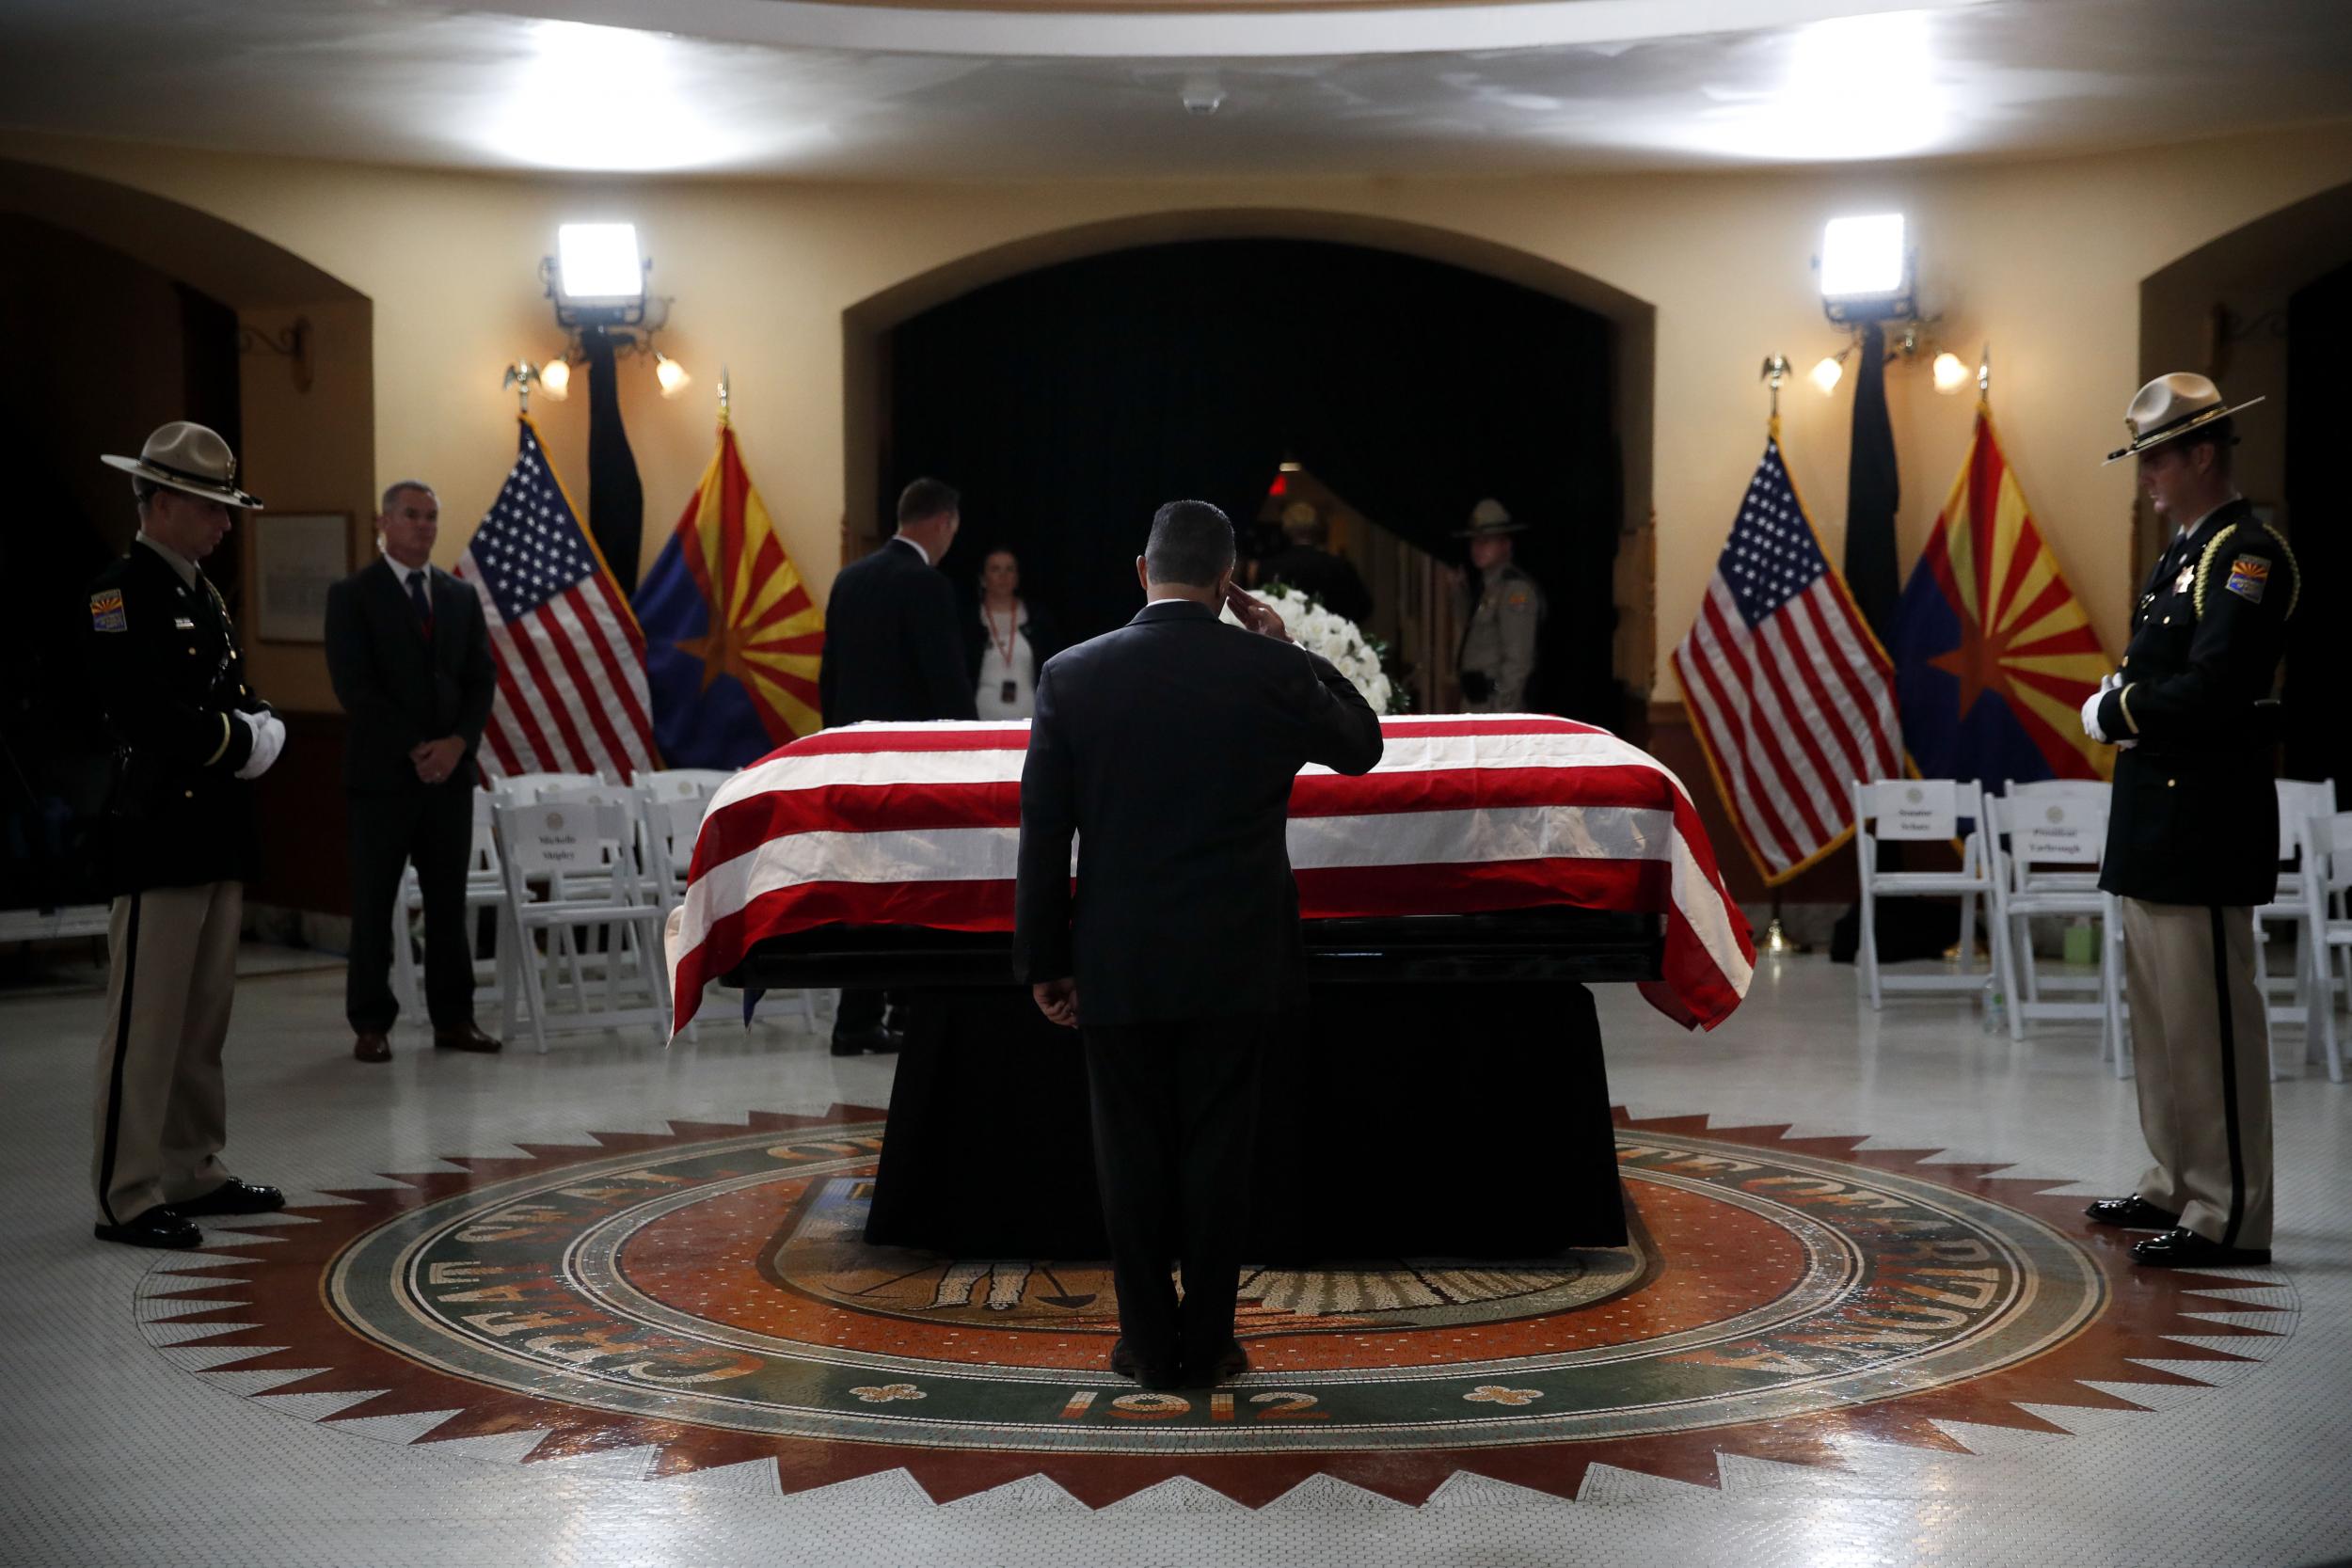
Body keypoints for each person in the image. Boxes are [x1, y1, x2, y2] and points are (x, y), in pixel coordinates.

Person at [1012, 499, 1384, 1389]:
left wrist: (1045, 960)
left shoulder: (1072, 675)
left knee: (1128, 1155)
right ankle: (1211, 1343)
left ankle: (1145, 1343)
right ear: (1229, 584)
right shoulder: (1265, 670)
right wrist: (1289, 647)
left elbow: (1042, 834)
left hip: (1119, 957)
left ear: (1142, 571)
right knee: (1221, 1156)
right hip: (1239, 958)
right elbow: (1363, 747)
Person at [2080, 372, 2296, 1269]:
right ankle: (2175, 1177)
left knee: (2211, 1030)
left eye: (2158, 458)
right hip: (2156, 828)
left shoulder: (2249, 555)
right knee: (2163, 1023)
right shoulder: (2183, 554)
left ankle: (2229, 1211)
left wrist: (2118, 709)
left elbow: (2215, 687)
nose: (2148, 477)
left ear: (2203, 453)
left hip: (2204, 826)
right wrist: (2127, 700)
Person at [85, 421, 287, 1249]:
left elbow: (226, 684)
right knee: (148, 1019)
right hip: (160, 831)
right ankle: (127, 1191)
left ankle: (191, 1166)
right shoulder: (119, 593)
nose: (225, 523)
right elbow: (143, 710)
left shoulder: (200, 591)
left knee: (203, 1019)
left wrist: (258, 718)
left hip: (214, 830)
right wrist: (240, 741)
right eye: (210, 507)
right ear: (162, 504)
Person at [323, 481, 501, 1064]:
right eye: (412, 516)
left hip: (449, 777)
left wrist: (457, 744)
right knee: (375, 902)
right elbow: (356, 687)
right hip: (382, 777)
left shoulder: (457, 596)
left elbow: (481, 679)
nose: (424, 526)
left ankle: (455, 1018)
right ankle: (371, 1024)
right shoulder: (353, 595)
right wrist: (416, 747)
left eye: (431, 516)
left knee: (448, 904)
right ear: (384, 522)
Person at [817, 477, 977, 1055]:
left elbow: (830, 677)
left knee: (859, 892)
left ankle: (855, 1019)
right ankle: (906, 1010)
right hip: (914, 770)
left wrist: (836, 750)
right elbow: (947, 684)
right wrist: (971, 753)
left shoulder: (848, 580)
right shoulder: (926, 585)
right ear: (942, 522)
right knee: (914, 891)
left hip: (853, 765)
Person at [1455, 498, 1545, 712]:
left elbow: (1518, 661)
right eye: (1475, 541)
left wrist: (1503, 713)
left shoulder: (1514, 591)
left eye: (1487, 541)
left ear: (1505, 544)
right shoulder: (1486, 588)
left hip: (1495, 705)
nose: (1478, 547)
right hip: (1475, 703)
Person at [962, 546, 1059, 721]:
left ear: (1017, 577)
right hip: (980, 715)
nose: (1003, 576)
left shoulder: (1037, 618)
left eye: (1009, 569)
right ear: (982, 578)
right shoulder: (969, 621)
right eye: (995, 569)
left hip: (1029, 713)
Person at [1251, 502, 1374, 627]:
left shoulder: (1271, 567)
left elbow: (1258, 607)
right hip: (1329, 640)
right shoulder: (1339, 565)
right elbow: (1363, 606)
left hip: (1285, 640)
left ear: (1286, 528)